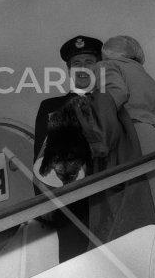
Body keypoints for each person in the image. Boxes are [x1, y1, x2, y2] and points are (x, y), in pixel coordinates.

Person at [33, 35, 103, 262]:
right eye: (76, 64)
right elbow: (39, 157)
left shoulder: (111, 103)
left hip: (109, 194)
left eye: (89, 63)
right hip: (71, 201)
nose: (82, 69)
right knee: (74, 264)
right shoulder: (51, 106)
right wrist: (42, 202)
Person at [95, 35, 155, 213]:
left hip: (132, 134)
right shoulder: (143, 73)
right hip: (154, 132)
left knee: (132, 205)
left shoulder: (105, 66)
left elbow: (117, 94)